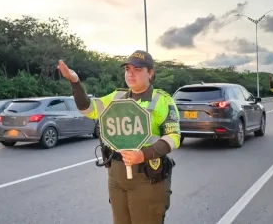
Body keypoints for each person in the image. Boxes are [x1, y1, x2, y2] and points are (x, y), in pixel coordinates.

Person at [57, 50, 181, 224]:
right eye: (128, 69)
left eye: (138, 70)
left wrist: (143, 155)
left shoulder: (162, 100)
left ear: (150, 73)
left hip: (146, 175)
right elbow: (88, 108)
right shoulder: (116, 97)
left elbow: (173, 137)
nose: (131, 74)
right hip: (116, 175)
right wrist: (75, 81)